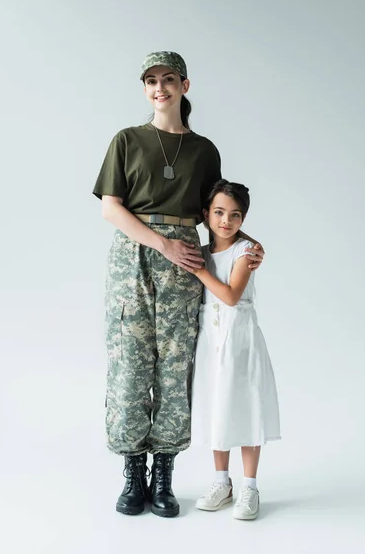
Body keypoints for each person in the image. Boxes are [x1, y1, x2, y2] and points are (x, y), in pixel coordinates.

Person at [92, 51, 265, 518]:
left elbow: (217, 217)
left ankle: (163, 474)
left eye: (168, 79)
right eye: (150, 80)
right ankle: (133, 473)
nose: (159, 88)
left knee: (174, 369)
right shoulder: (127, 140)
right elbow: (112, 207)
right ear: (144, 88)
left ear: (185, 86)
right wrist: (161, 245)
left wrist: (248, 244)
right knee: (129, 366)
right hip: (133, 257)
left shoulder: (204, 150)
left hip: (186, 261)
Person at [191, 179, 281, 521]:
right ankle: (221, 482)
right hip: (210, 338)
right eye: (218, 212)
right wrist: (199, 264)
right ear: (206, 214)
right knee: (218, 405)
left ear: (243, 219)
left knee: (245, 405)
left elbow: (230, 296)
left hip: (239, 339)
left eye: (235, 214)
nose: (225, 220)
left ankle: (250, 487)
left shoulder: (246, 252)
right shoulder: (201, 251)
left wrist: (199, 271)